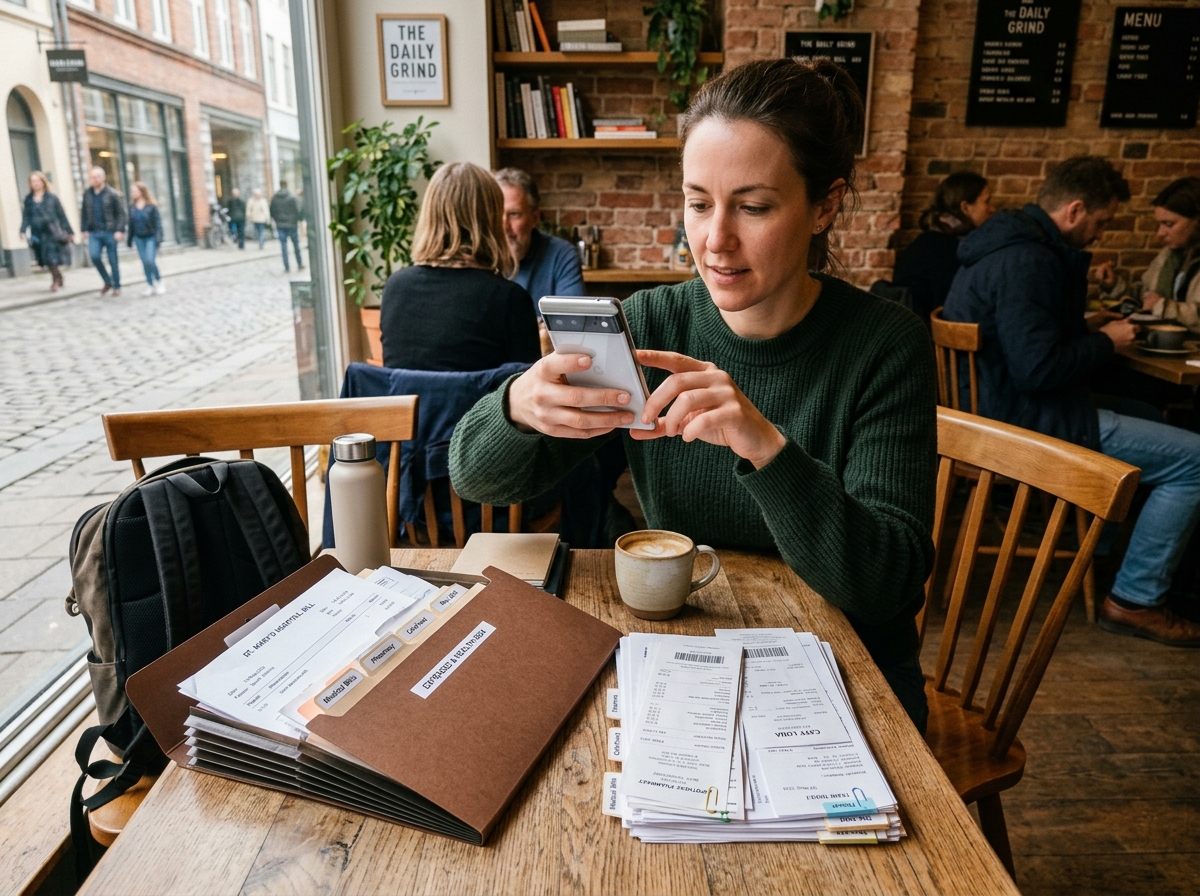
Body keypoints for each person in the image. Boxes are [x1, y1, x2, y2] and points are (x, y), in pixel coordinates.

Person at [450, 59, 939, 732]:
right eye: (699, 202)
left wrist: (765, 447)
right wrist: (518, 407)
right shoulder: (650, 326)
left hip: (846, 685)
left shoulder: (885, 344)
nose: (713, 240)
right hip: (690, 664)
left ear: (825, 205)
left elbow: (888, 586)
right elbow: (476, 476)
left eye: (754, 206)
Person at [943, 156, 1200, 646]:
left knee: (1148, 413)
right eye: (1102, 222)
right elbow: (1038, 370)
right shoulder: (1031, 260)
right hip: (1018, 424)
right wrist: (1110, 343)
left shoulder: (1005, 245)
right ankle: (1134, 599)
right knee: (1195, 460)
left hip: (994, 410)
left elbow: (1023, 341)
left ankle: (1097, 551)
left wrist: (1087, 326)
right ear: (1076, 209)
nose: (1101, 235)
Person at [379, 161, 540, 371]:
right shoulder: (509, 300)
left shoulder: (395, 288)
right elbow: (530, 393)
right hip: (477, 406)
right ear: (490, 220)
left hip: (413, 406)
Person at [893, 172, 994, 321]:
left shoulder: (932, 240)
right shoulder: (947, 248)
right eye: (987, 201)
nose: (992, 209)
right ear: (965, 207)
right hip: (927, 338)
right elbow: (952, 311)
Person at [493, 168, 586, 308]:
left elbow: (572, 322)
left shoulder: (561, 254)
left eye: (514, 214)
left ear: (534, 218)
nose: (504, 226)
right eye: (497, 213)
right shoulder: (477, 256)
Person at [19, 171, 73, 292]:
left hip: (52, 232)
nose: (36, 183)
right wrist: (22, 230)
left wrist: (69, 231)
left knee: (51, 257)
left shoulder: (52, 197)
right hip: (37, 233)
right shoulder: (28, 199)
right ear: (30, 184)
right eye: (33, 181)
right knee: (44, 258)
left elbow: (61, 215)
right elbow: (26, 216)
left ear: (43, 182)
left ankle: (55, 281)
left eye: (38, 181)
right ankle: (59, 276)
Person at [79, 166, 126, 296]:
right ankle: (107, 281)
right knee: (94, 256)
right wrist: (84, 229)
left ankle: (116, 286)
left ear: (103, 178)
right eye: (92, 177)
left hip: (110, 231)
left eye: (97, 177)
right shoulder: (87, 194)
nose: (94, 179)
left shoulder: (112, 193)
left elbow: (121, 214)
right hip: (94, 232)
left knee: (113, 260)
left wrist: (119, 230)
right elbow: (83, 213)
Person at [127, 181, 165, 296]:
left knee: (150, 261)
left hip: (150, 237)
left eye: (134, 191)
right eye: (131, 191)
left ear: (141, 192)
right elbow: (131, 225)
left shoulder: (151, 206)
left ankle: (159, 282)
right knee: (144, 262)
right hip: (139, 238)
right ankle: (150, 284)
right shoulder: (132, 208)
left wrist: (158, 239)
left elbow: (158, 224)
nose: (132, 193)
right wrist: (129, 240)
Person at [270, 180, 303, 272]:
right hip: (292, 224)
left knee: (283, 247)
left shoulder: (275, 198)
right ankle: (299, 263)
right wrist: (297, 219)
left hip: (280, 225)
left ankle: (286, 266)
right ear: (286, 185)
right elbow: (298, 210)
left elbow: (272, 211)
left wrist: (277, 220)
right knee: (296, 245)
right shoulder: (292, 197)